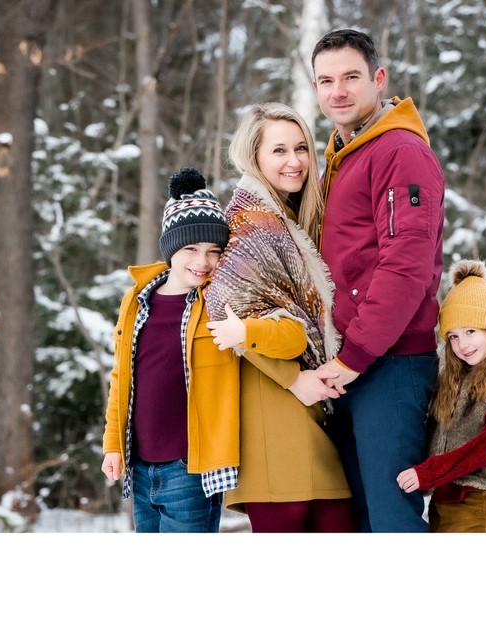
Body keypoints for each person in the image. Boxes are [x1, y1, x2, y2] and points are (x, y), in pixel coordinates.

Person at [309, 28, 445, 531]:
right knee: (362, 518)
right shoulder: (344, 154)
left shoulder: (399, 152)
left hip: (389, 363)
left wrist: (353, 357)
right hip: (354, 362)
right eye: (326, 80)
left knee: (391, 519)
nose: (337, 91)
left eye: (350, 77)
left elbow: (405, 265)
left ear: (378, 79)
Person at [206, 102, 354, 533]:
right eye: (279, 151)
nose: (294, 162)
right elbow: (226, 315)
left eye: (301, 148)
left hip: (311, 408)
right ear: (254, 157)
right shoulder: (248, 223)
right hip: (274, 410)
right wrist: (294, 379)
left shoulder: (288, 219)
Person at [100, 167, 239, 533]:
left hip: (189, 467)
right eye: (190, 248)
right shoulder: (137, 299)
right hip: (141, 466)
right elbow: (122, 377)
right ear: (170, 248)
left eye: (213, 251)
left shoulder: (219, 300)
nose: (202, 261)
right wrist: (113, 444)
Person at [396, 259, 486, 533]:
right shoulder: (453, 376)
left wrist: (429, 473)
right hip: (443, 500)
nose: (462, 345)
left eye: (470, 331)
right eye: (453, 336)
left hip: (480, 501)